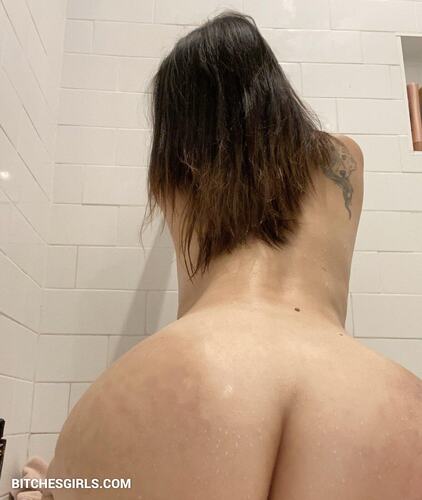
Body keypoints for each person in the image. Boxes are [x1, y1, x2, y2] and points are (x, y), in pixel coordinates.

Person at [43, 11, 422, 500]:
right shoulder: (343, 158)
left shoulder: (177, 177)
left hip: (189, 367)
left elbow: (194, 292)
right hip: (358, 390)